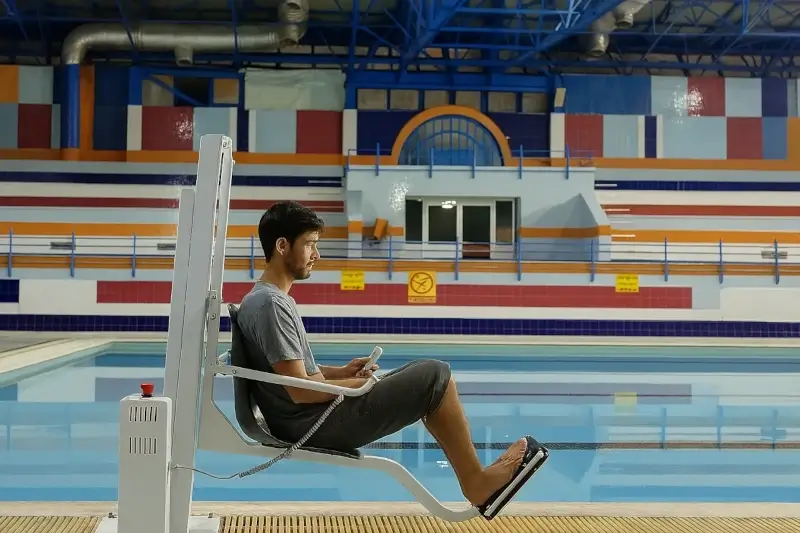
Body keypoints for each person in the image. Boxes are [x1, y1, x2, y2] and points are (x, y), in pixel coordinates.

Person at [234, 200, 547, 517]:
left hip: (302, 417)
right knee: (435, 374)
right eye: (310, 245)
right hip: (309, 424)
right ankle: (476, 483)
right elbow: (299, 390)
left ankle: (474, 478)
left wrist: (340, 372)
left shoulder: (263, 298)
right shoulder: (272, 305)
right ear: (283, 246)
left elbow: (289, 372)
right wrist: (357, 384)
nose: (317, 255)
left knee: (421, 374)